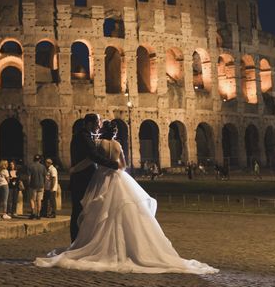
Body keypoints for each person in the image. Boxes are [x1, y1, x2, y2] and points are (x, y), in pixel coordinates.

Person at [35, 120, 218, 274]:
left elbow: (91, 160)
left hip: (100, 180)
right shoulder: (117, 145)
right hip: (116, 178)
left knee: (100, 213)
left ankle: (95, 245)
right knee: (121, 212)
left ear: (103, 131)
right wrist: (114, 166)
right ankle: (129, 248)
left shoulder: (98, 144)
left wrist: (75, 168)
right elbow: (122, 165)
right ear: (115, 133)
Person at [68, 114, 119, 242]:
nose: (99, 127)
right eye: (97, 124)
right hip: (82, 179)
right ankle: (77, 241)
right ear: (89, 123)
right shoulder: (83, 136)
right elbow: (93, 156)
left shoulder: (83, 135)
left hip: (83, 177)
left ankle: (81, 241)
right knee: (80, 210)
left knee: (83, 210)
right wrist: (112, 164)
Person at [27, 154, 47, 219]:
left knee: (32, 199)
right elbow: (45, 177)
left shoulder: (31, 166)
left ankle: (33, 213)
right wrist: (44, 184)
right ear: (40, 160)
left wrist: (28, 184)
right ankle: (38, 214)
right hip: (41, 185)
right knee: (39, 200)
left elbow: (29, 177)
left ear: (34, 159)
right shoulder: (43, 167)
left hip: (33, 185)